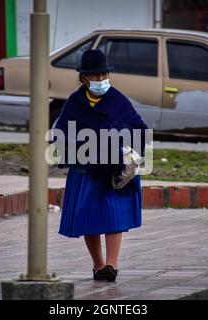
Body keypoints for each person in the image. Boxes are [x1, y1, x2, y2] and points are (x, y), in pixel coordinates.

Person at [53, 49, 148, 282]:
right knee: (90, 219)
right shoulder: (75, 103)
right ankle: (98, 265)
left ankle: (111, 265)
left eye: (104, 74)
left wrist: (120, 150)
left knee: (114, 216)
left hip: (114, 171)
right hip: (87, 172)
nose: (100, 80)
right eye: (95, 76)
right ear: (84, 78)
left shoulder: (118, 99)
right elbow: (60, 134)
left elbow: (139, 129)